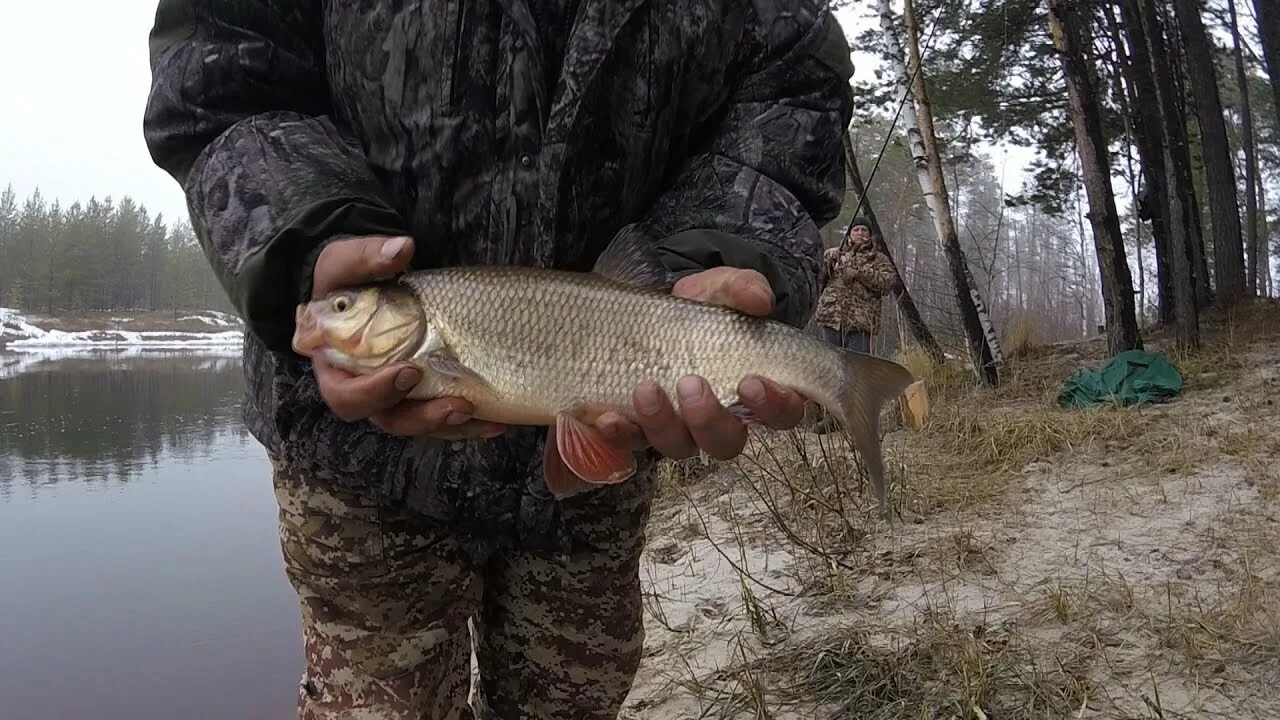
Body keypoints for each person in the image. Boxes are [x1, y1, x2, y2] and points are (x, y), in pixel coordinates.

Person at [143, 2, 853, 718]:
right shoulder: (415, 325)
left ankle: (844, 387)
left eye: (345, 311)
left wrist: (728, 246)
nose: (326, 321)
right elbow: (224, 73)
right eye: (345, 313)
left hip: (603, 472)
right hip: (350, 468)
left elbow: (792, 89)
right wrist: (309, 244)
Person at [814, 218, 901, 356]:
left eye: (864, 230)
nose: (860, 233)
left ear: (870, 234)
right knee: (829, 367)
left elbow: (888, 282)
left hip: (860, 325)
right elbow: (817, 281)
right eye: (856, 230)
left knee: (858, 369)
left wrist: (859, 274)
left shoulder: (879, 258)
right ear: (849, 234)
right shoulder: (836, 254)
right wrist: (827, 262)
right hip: (831, 320)